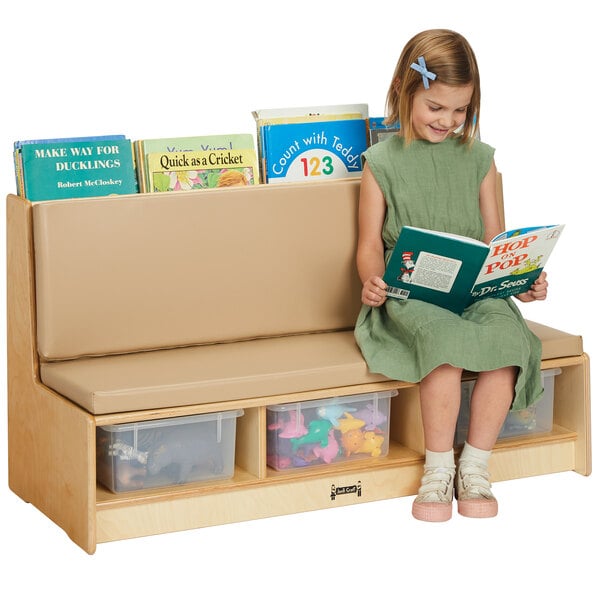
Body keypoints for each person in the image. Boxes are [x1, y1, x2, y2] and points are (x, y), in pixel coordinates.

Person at [354, 29, 548, 522]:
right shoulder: (380, 162)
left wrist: (520, 281)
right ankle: (438, 471)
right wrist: (372, 280)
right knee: (441, 345)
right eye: (436, 107)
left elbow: (495, 241)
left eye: (460, 111)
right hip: (410, 291)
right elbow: (368, 244)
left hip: (471, 291)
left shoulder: (479, 159)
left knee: (508, 342)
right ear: (405, 89)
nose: (448, 121)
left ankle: (476, 467)